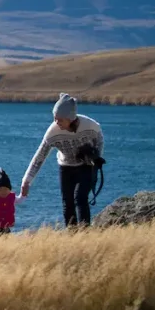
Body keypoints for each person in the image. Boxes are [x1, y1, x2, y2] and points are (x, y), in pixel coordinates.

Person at [20, 93, 104, 227]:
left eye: (60, 119)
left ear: (70, 118)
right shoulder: (52, 133)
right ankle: (71, 233)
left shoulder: (90, 126)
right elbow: (39, 157)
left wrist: (96, 156)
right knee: (67, 202)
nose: (56, 122)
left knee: (80, 198)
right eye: (54, 118)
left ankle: (85, 233)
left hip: (86, 166)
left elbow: (99, 140)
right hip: (66, 167)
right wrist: (26, 181)